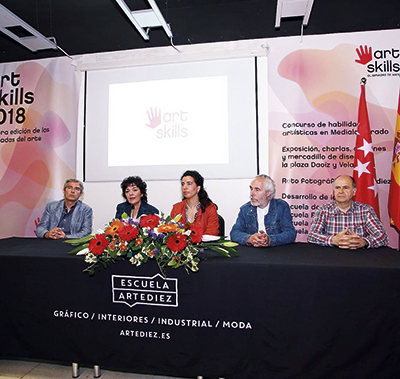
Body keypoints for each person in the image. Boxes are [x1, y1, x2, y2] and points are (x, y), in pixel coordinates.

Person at [307, 175, 388, 249]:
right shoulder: (323, 210)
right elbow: (312, 236)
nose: (341, 191)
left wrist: (364, 242)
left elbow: (382, 237)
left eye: (345, 187)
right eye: (337, 188)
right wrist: (333, 240)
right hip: (331, 257)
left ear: (354, 191)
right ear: (334, 191)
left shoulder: (366, 210)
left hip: (359, 257)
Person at [230, 174, 296, 247]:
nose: (252, 193)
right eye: (251, 189)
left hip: (275, 252)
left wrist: (269, 239)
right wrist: (249, 238)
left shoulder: (281, 207)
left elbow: (290, 234)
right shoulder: (245, 209)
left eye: (257, 190)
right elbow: (234, 233)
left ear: (268, 193)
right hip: (252, 252)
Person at [170, 170, 219, 236]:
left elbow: (212, 234)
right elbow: (171, 233)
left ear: (198, 188)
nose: (185, 187)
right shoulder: (177, 208)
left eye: (189, 184)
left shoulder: (210, 208)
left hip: (203, 245)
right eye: (182, 184)